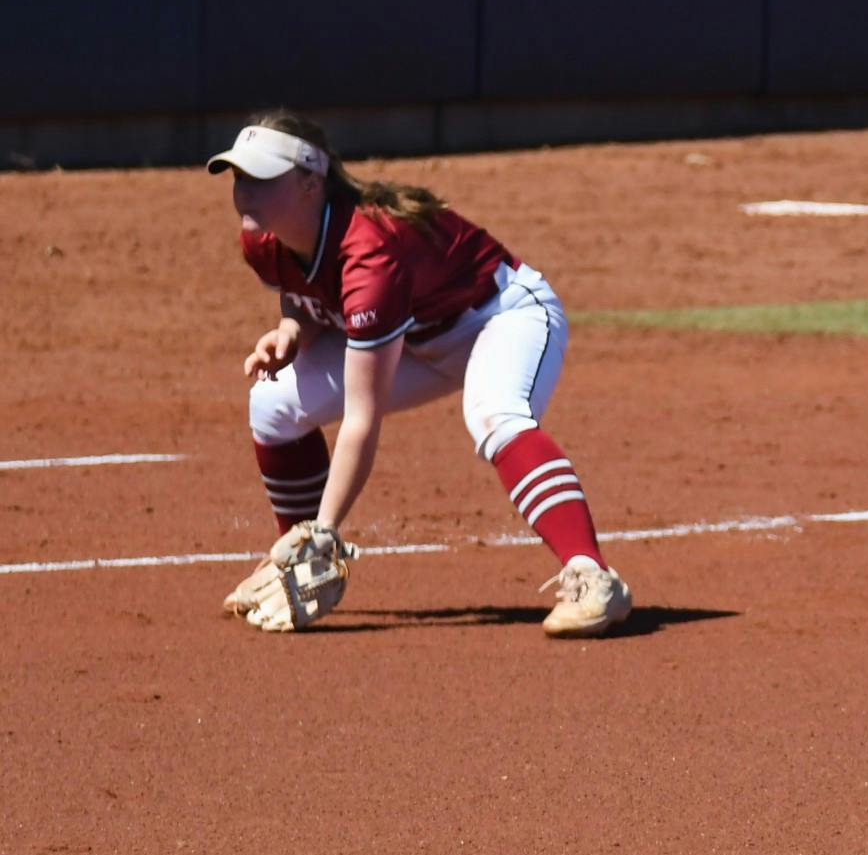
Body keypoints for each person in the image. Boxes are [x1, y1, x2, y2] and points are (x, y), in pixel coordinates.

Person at [211, 111, 633, 638]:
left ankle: (592, 576)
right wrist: (292, 331)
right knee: (271, 404)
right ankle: (291, 563)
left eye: (262, 178)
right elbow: (307, 295)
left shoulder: (370, 252)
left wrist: (327, 529)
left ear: (310, 183)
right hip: (415, 336)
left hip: (500, 315)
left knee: (494, 414)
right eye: (238, 177)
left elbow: (362, 420)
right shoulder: (263, 240)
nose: (244, 192)